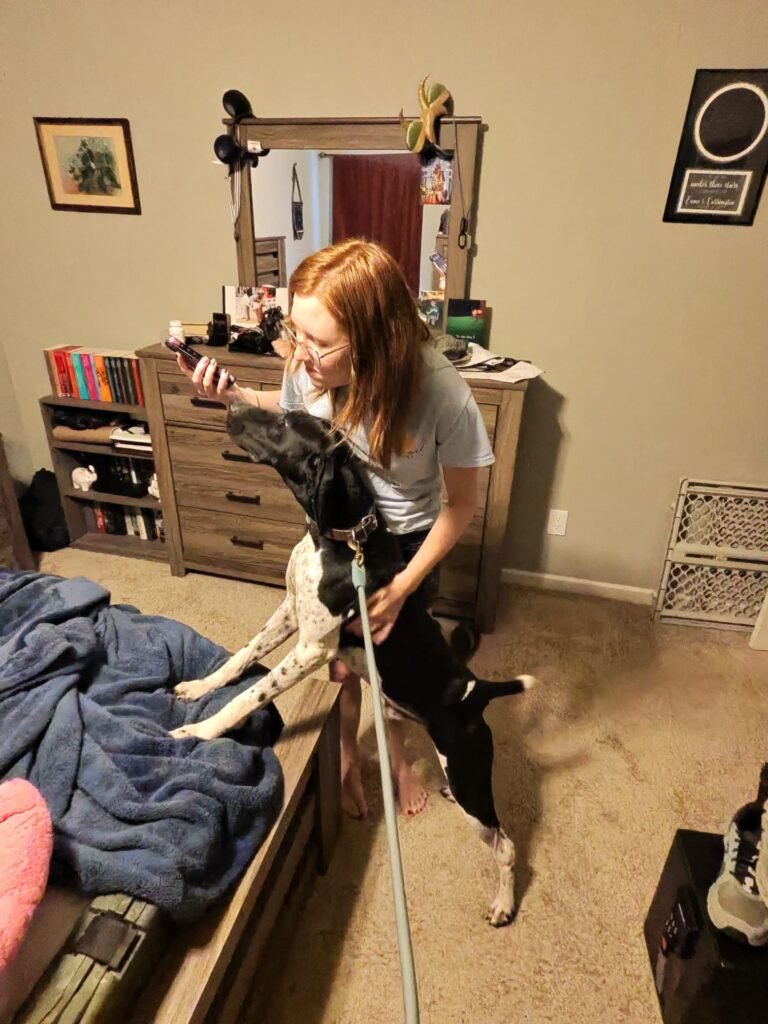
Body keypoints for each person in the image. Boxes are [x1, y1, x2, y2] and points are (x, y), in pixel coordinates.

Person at [175, 239, 494, 819]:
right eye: (296, 332)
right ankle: (346, 756)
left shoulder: (441, 392)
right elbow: (296, 410)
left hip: (404, 544)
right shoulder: (310, 362)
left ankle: (397, 764)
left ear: (374, 340)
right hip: (338, 524)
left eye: (318, 342)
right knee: (339, 658)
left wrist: (401, 587)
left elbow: (462, 506)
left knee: (388, 665)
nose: (300, 353)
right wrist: (237, 395)